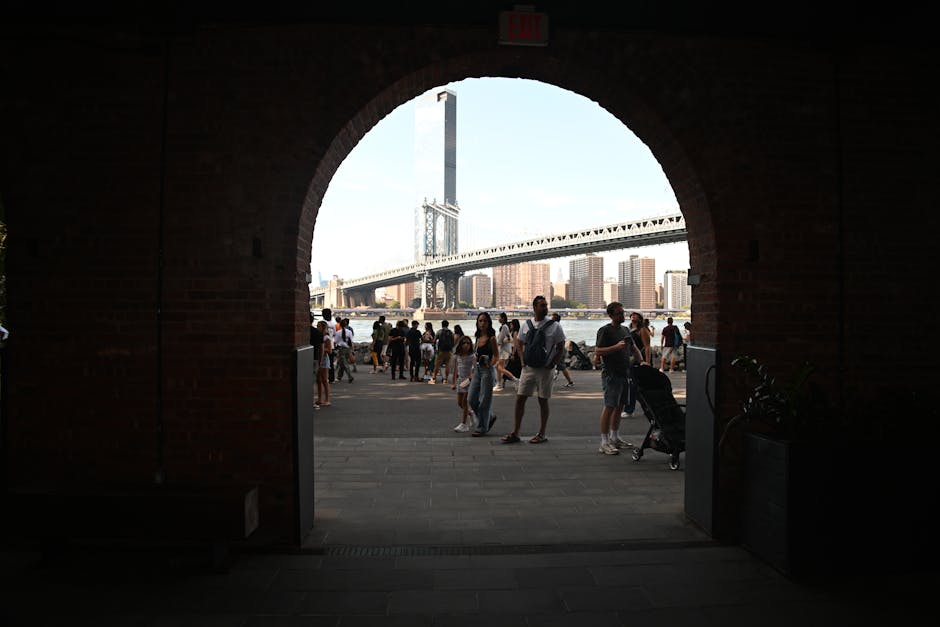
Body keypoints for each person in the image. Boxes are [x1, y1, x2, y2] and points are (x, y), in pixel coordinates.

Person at [501, 295, 565, 445]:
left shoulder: (555, 326)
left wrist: (552, 364)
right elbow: (520, 343)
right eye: (542, 305)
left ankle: (542, 433)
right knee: (520, 398)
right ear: (534, 307)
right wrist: (523, 361)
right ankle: (515, 432)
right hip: (528, 368)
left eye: (546, 305)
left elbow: (561, 346)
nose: (545, 308)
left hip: (545, 369)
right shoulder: (526, 325)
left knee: (543, 400)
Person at [594, 302, 647, 455]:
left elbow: (633, 348)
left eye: (623, 312)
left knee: (620, 406)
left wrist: (641, 360)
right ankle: (604, 442)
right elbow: (598, 350)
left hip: (625, 373)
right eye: (619, 313)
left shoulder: (625, 330)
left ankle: (615, 437)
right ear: (611, 315)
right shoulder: (605, 330)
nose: (622, 315)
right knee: (610, 406)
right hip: (611, 374)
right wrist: (616, 347)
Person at [468, 312, 499, 437]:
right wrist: (472, 369)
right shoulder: (477, 337)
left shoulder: (492, 338)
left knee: (484, 400)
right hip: (477, 370)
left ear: (489, 323)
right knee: (471, 398)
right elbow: (475, 356)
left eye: (484, 321)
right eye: (480, 321)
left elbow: (497, 356)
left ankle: (482, 427)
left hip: (487, 371)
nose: (482, 323)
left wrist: (490, 364)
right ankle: (489, 416)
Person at [621, 311, 648, 419]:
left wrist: (646, 361)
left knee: (633, 386)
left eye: (635, 315)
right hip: (629, 360)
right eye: (632, 315)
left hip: (639, 360)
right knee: (635, 387)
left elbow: (647, 347)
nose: (633, 317)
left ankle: (629, 409)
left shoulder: (642, 330)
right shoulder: (627, 329)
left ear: (640, 318)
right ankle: (647, 407)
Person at [450, 334, 476, 432]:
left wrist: (471, 375)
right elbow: (456, 370)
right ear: (460, 345)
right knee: (460, 403)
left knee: (465, 402)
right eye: (464, 343)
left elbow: (475, 368)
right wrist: (453, 382)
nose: (466, 345)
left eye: (468, 343)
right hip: (460, 381)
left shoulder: (472, 356)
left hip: (469, 381)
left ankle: (464, 424)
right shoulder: (458, 356)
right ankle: (471, 413)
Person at [493, 312, 518, 392]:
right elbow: (508, 339)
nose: (498, 319)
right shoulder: (505, 327)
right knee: (498, 367)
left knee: (500, 368)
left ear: (503, 318)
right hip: (504, 350)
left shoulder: (504, 327)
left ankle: (515, 380)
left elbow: (500, 341)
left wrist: (497, 343)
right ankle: (499, 384)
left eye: (499, 317)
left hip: (503, 351)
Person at [550, 313, 575, 388]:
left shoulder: (556, 327)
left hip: (558, 349)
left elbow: (561, 340)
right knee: (558, 365)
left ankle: (570, 382)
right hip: (558, 349)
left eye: (552, 318)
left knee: (562, 366)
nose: (550, 319)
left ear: (554, 319)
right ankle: (554, 375)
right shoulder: (556, 326)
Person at [429, 319, 455, 384]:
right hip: (449, 351)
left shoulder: (439, 332)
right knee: (447, 365)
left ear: (442, 325)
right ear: (448, 325)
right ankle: (445, 379)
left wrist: (435, 347)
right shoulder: (451, 332)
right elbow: (453, 342)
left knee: (437, 365)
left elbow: (434, 341)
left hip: (441, 351)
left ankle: (434, 378)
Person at [333, 318, 355, 383]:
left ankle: (350, 376)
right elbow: (351, 341)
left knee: (344, 363)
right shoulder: (349, 332)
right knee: (342, 363)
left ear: (340, 325)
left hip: (341, 349)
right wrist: (352, 350)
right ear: (346, 325)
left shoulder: (338, 333)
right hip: (348, 349)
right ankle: (339, 377)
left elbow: (336, 341)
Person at [315, 320, 332, 407]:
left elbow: (330, 350)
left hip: (324, 359)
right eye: (317, 326)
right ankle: (319, 399)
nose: (317, 327)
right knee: (318, 380)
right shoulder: (319, 336)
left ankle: (327, 399)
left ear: (323, 328)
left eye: (319, 326)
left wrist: (321, 349)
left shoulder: (326, 338)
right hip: (318, 359)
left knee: (325, 380)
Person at [309, 313, 323, 410]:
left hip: (303, 359)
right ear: (313, 321)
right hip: (314, 358)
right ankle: (312, 402)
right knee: (312, 381)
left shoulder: (302, 331)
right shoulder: (318, 333)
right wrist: (320, 360)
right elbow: (321, 349)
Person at [322, 308, 337, 383]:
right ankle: (332, 379)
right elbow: (335, 334)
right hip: (331, 345)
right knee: (330, 363)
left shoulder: (322, 322)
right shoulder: (333, 323)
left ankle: (324, 377)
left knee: (323, 363)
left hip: (324, 346)